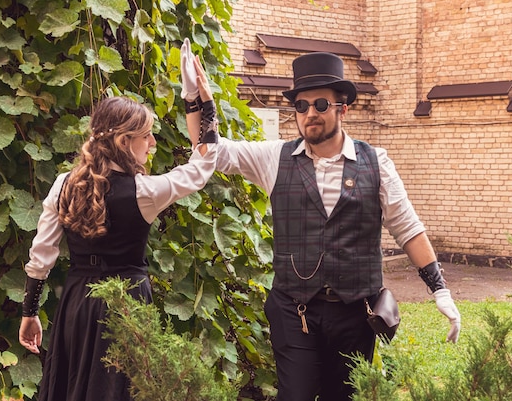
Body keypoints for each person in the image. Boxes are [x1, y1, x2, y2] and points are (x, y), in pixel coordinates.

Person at [185, 51, 462, 401]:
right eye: (301, 106)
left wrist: (439, 290)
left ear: (342, 109)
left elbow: (408, 228)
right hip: (294, 311)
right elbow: (211, 153)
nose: (310, 114)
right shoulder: (275, 158)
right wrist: (197, 103)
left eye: (320, 104)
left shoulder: (376, 163)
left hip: (355, 314)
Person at [18, 81, 218, 400]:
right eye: (146, 136)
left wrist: (29, 313)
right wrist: (204, 105)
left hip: (77, 305)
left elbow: (41, 258)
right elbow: (202, 168)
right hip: (128, 307)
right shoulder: (146, 192)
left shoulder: (62, 185)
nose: (151, 143)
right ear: (125, 142)